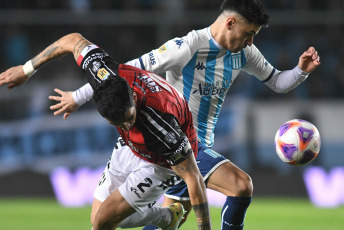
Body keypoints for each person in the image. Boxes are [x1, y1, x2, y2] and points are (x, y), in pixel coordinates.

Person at [34, 0, 321, 229]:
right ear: (231, 23)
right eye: (248, 34)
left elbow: (276, 81)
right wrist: (77, 96)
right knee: (241, 186)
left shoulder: (245, 54)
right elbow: (124, 71)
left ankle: (164, 218)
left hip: (196, 146)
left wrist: (299, 73)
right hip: (175, 143)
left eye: (253, 37)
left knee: (169, 219)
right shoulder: (187, 47)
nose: (249, 42)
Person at [0, 33, 212, 230]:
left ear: (135, 98)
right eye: (118, 123)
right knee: (99, 218)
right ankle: (167, 218)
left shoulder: (162, 127)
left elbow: (195, 179)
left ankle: (165, 217)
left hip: (161, 161)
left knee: (102, 221)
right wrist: (27, 69)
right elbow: (72, 40)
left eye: (129, 118)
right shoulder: (102, 73)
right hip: (130, 146)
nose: (126, 125)